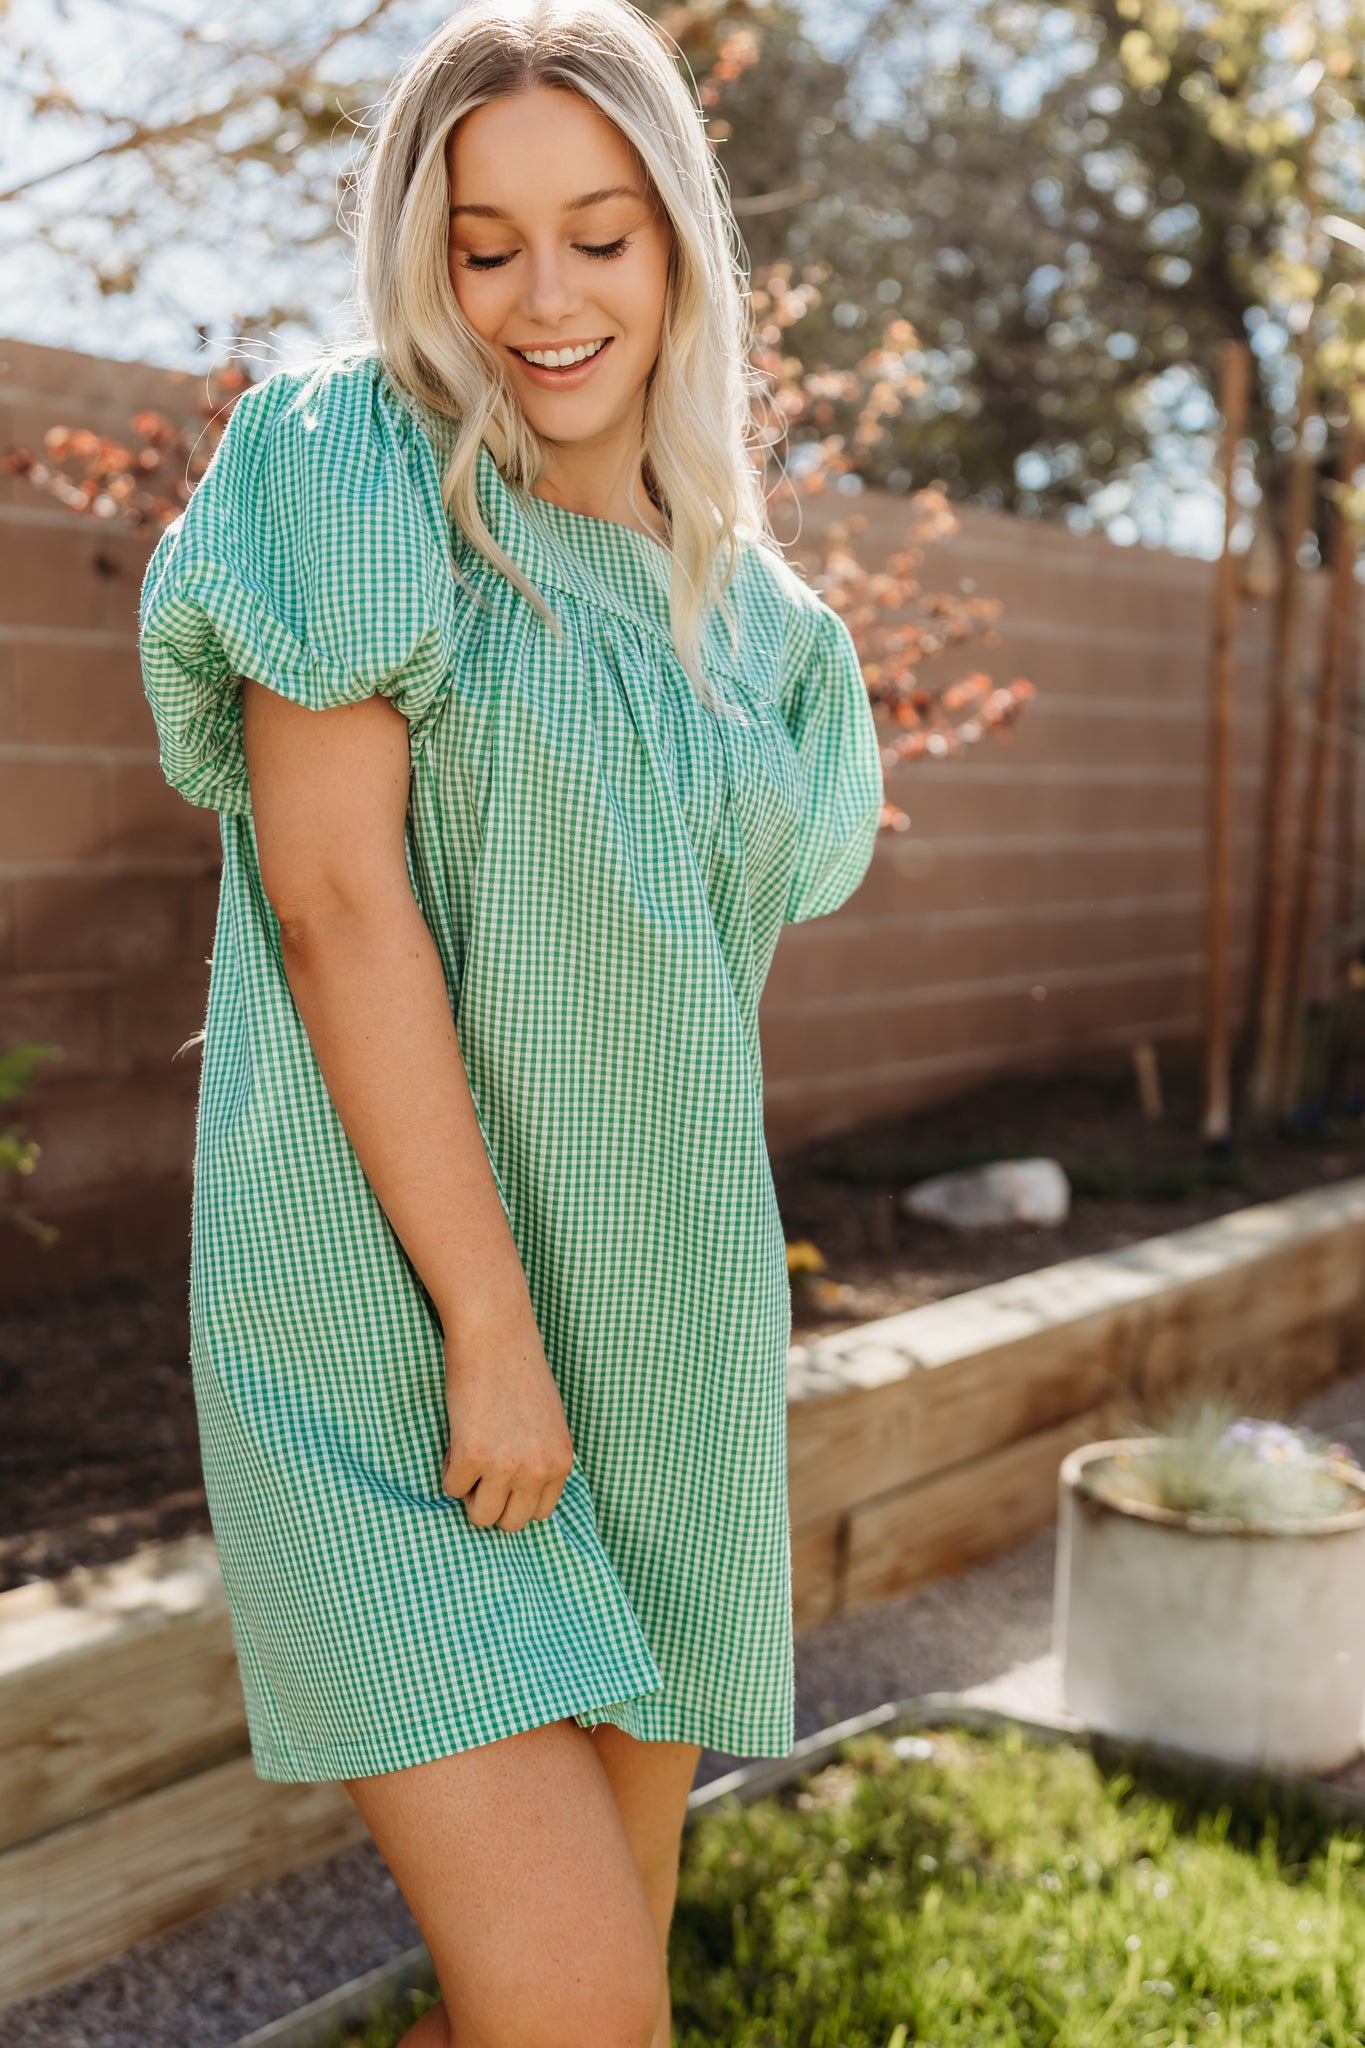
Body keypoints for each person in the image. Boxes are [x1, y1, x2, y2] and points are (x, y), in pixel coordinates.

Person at [137, 2, 883, 2042]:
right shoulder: (346, 467)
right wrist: (488, 1327)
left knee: (569, 1997)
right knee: (580, 2009)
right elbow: (333, 901)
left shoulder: (770, 638)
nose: (542, 299)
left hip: (663, 1350)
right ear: (421, 258)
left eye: (600, 235)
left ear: (679, 253)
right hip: (398, 1348)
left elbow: (675, 993)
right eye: (484, 245)